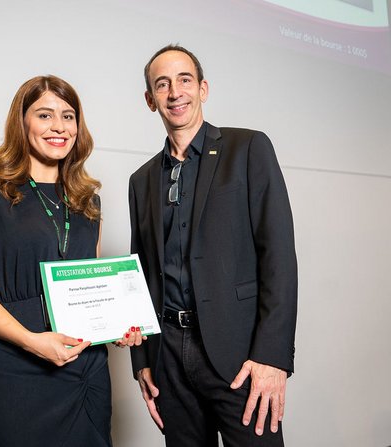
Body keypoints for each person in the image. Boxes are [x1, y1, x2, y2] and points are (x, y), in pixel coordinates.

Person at [0, 75, 143, 446]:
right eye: (45, 115)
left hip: (85, 372)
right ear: (22, 123)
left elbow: (93, 283)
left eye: (69, 116)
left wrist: (118, 326)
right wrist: (31, 341)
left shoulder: (89, 201)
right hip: (14, 370)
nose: (59, 126)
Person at [127, 45, 298, 446]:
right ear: (150, 100)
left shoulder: (248, 149)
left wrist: (272, 357)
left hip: (239, 355)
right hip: (169, 356)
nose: (175, 92)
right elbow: (142, 274)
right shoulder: (141, 179)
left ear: (203, 88)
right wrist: (143, 361)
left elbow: (278, 257)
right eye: (162, 84)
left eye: (184, 80)